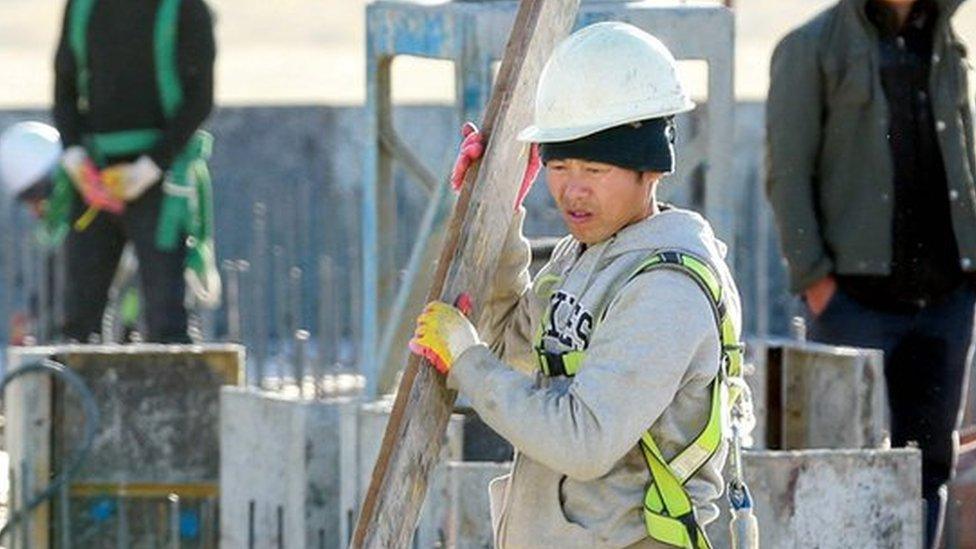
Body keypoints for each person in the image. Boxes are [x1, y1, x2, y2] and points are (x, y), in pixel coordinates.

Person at [409, 23, 744, 548]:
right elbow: (510, 351)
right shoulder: (585, 256)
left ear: (649, 170)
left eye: (595, 167)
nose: (573, 189)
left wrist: (467, 362)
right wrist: (499, 215)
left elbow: (583, 441)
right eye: (559, 165)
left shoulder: (667, 289)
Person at [766, 0, 976, 545]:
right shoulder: (809, 48)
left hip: (947, 300)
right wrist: (817, 285)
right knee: (838, 472)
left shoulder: (943, 38)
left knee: (931, 467)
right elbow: (787, 174)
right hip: (852, 308)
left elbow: (964, 157)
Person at [52, 0, 220, 343]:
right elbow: (65, 90)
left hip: (161, 178)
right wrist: (76, 158)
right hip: (94, 176)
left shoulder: (186, 8)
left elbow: (200, 98)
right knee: (77, 323)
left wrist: (151, 166)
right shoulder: (81, 6)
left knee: (167, 320)